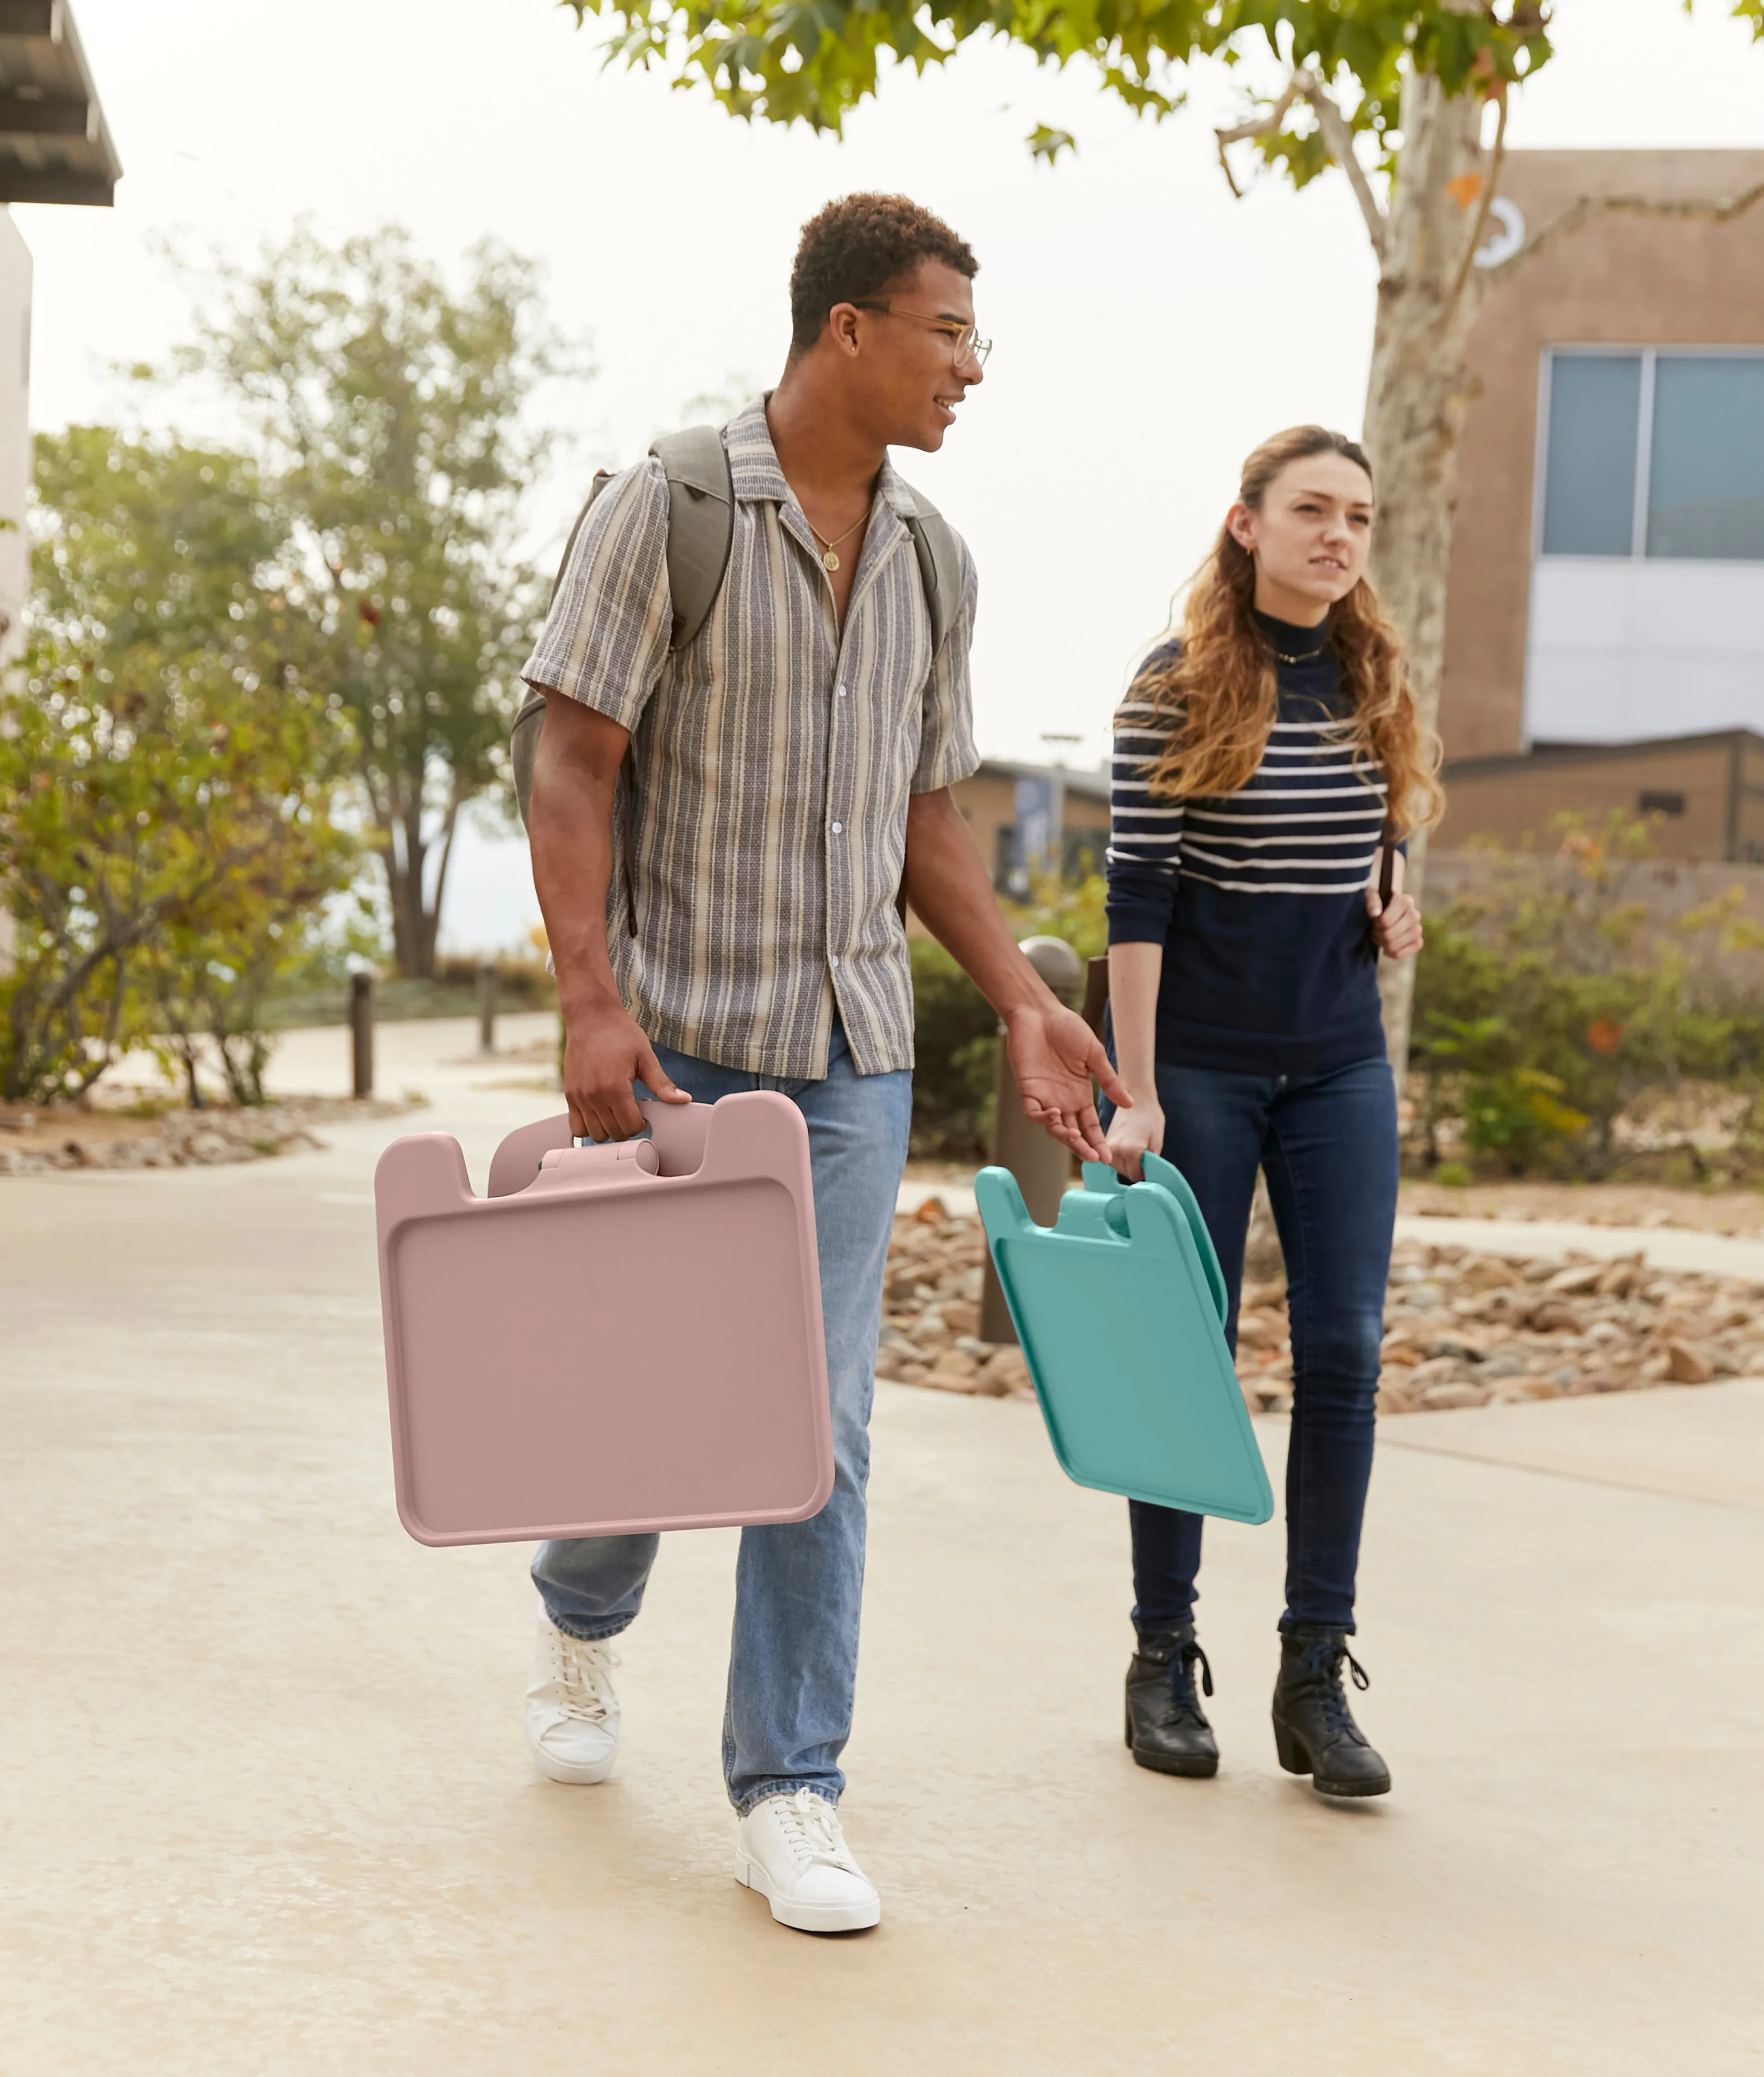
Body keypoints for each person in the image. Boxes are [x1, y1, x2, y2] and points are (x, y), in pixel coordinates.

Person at [518, 193, 1126, 1934]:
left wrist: (1015, 992)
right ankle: (580, 1621)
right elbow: (573, 760)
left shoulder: (937, 556)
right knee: (655, 1408)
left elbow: (928, 821)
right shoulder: (673, 509)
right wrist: (588, 998)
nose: (972, 371)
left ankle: (790, 1785)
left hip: (852, 1056)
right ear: (847, 328)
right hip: (680, 1039)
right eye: (950, 334)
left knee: (816, 1422)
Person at [1101, 424, 1441, 1796]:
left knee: (1346, 1353)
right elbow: (1138, 899)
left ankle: (1316, 1672)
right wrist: (1134, 1093)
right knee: (1189, 1356)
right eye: (1311, 509)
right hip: (1200, 1066)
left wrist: (1396, 902)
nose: (1338, 535)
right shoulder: (1172, 685)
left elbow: (1380, 842)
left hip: (1341, 1063)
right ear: (1247, 524)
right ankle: (1163, 1652)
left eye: (1357, 516)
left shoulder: (1373, 676)